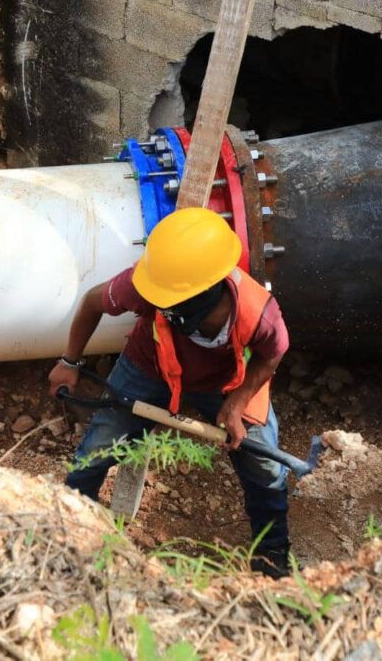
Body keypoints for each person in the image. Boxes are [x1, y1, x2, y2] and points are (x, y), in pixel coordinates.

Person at [48, 207, 292, 577]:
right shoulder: (148, 286)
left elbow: (272, 355)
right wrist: (69, 362)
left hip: (226, 381)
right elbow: (92, 302)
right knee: (99, 447)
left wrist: (238, 401)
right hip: (150, 368)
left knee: (265, 465)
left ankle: (272, 555)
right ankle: (68, 529)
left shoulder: (259, 312)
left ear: (207, 293)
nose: (160, 302)